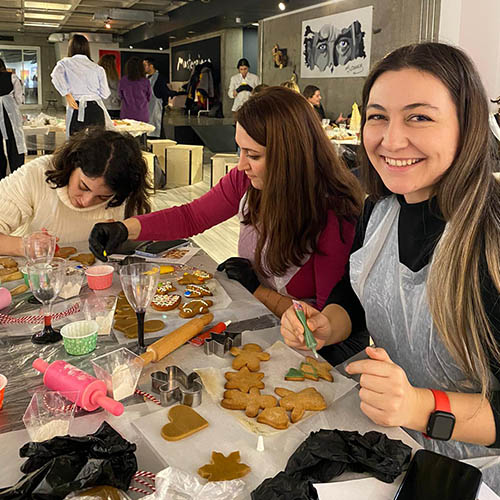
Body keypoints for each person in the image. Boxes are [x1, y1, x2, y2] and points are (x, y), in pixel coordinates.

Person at [281, 42, 500, 491]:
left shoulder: (490, 236)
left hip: (475, 475)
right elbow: (357, 295)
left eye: (419, 117)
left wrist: (419, 406)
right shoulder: (380, 210)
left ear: (467, 125)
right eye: (378, 116)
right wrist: (327, 325)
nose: (391, 139)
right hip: (395, 447)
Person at [88, 86, 363, 319]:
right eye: (240, 150)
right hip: (262, 314)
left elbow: (326, 321)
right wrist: (125, 229)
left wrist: (259, 291)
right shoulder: (246, 181)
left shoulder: (333, 212)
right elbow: (192, 216)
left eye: (253, 155)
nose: (241, 164)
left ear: (289, 155)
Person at [0, 128, 151, 256]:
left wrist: (124, 234)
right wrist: (24, 245)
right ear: (72, 164)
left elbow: (144, 245)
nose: (86, 201)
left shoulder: (125, 194)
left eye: (103, 197)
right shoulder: (35, 174)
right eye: (83, 187)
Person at [51, 34, 111, 137]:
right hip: (95, 108)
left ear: (71, 48)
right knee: (98, 142)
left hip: (77, 106)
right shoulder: (97, 68)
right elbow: (105, 93)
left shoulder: (65, 63)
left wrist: (67, 94)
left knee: (75, 142)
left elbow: (55, 76)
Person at [0, 58, 26, 180]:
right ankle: (16, 173)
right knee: (15, 142)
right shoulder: (12, 77)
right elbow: (19, 99)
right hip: (9, 112)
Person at [143, 57, 177, 138]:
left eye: (145, 65)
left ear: (151, 66)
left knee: (156, 129)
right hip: (146, 109)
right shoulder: (145, 78)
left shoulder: (160, 78)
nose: (143, 67)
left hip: (156, 108)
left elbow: (164, 93)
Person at [119, 57, 151, 123]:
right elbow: (149, 97)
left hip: (126, 113)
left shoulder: (123, 80)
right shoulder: (145, 81)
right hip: (142, 114)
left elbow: (120, 95)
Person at [98, 54, 121, 119]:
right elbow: (117, 91)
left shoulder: (98, 74)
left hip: (102, 105)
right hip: (113, 105)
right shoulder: (112, 76)